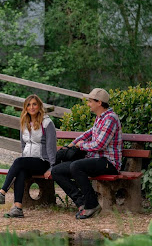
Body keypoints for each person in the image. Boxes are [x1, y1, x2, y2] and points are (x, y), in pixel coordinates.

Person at [51, 88, 123, 219]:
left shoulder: (110, 118)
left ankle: (92, 205)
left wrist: (81, 145)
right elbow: (88, 134)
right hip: (95, 161)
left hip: (109, 164)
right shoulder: (100, 118)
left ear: (99, 102)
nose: (88, 104)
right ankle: (81, 203)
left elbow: (100, 144)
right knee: (56, 171)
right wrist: (72, 144)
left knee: (76, 166)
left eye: (90, 101)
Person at [0, 94, 57, 218]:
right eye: (29, 105)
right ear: (25, 108)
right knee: (21, 171)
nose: (32, 107)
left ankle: (2, 193)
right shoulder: (24, 123)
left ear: (39, 106)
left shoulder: (47, 123)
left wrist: (52, 167)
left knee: (19, 162)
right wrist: (24, 160)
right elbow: (23, 145)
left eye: (34, 104)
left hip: (42, 161)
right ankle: (18, 207)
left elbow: (51, 147)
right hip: (28, 162)